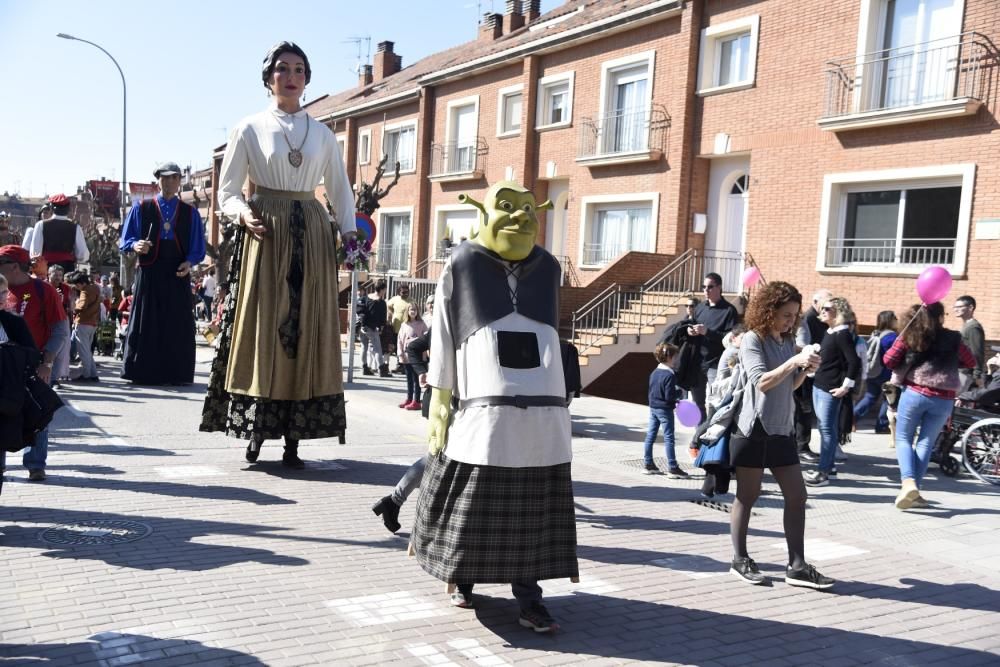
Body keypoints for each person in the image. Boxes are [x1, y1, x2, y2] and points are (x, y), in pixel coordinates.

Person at [412, 181, 573, 632]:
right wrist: (439, 397)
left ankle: (530, 597)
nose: (521, 217)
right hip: (481, 411)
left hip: (543, 416)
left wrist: (562, 401)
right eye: (507, 207)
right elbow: (443, 335)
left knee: (532, 514)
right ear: (483, 213)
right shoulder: (462, 262)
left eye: (528, 209)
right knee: (473, 504)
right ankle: (463, 578)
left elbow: (552, 340)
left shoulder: (548, 268)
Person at [200, 41, 356, 468]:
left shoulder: (323, 133)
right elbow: (228, 191)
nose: (291, 76)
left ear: (307, 78)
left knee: (307, 328)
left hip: (311, 229)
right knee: (265, 328)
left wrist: (350, 233)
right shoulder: (248, 128)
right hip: (265, 230)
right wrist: (242, 215)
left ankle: (294, 440)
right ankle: (256, 432)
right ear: (269, 77)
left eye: (300, 69)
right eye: (283, 68)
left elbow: (340, 190)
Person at [728, 280, 832, 590]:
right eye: (786, 315)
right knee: (747, 495)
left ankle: (797, 565)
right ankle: (740, 559)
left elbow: (789, 385)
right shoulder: (752, 339)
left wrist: (805, 370)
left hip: (782, 428)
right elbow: (761, 381)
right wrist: (793, 362)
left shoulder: (786, 341)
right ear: (768, 310)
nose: (791, 321)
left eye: (794, 315)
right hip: (753, 428)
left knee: (798, 495)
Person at [118, 162, 206, 385]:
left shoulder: (190, 212)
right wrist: (136, 245)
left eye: (173, 178)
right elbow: (125, 240)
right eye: (163, 178)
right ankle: (142, 371)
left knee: (176, 323)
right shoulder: (141, 207)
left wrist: (190, 262)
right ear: (158, 181)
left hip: (177, 272)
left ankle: (175, 373)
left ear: (179, 181)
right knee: (146, 321)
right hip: (149, 272)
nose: (168, 182)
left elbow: (198, 248)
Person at [884, 302, 976, 509]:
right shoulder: (953, 338)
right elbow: (970, 361)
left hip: (916, 392)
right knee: (925, 442)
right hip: (944, 398)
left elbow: (888, 360)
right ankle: (914, 491)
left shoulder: (912, 335)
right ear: (941, 317)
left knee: (904, 438)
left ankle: (908, 483)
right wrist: (952, 362)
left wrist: (901, 339)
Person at [0, 245, 70, 482]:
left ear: (14, 266)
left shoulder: (43, 291)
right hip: (4, 367)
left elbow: (60, 330)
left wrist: (47, 362)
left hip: (33, 365)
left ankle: (35, 464)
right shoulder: (1, 289)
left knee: (38, 414)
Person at [804, 297, 860, 488]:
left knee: (827, 430)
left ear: (839, 312)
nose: (823, 310)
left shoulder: (842, 333)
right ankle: (830, 467)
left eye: (828, 308)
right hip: (820, 385)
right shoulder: (831, 331)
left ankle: (823, 472)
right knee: (824, 428)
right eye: (823, 308)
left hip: (830, 389)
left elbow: (854, 362)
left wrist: (846, 386)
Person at [689, 272, 739, 420]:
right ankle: (700, 432)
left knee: (716, 402)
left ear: (719, 287)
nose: (706, 290)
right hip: (698, 362)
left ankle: (712, 433)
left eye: (710, 287)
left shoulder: (729, 311)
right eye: (703, 287)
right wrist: (690, 330)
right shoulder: (700, 308)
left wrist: (707, 332)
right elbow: (691, 324)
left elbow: (731, 340)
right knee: (697, 402)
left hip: (716, 364)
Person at [793, 289, 832, 462]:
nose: (827, 310)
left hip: (808, 369)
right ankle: (801, 446)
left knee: (804, 409)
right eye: (825, 306)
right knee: (803, 409)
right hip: (802, 370)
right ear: (816, 302)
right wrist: (811, 353)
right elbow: (803, 345)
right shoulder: (807, 319)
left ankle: (801, 445)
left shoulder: (813, 319)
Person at [642, 342, 687, 478]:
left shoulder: (654, 372)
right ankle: (673, 467)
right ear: (669, 357)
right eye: (675, 357)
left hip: (653, 407)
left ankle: (648, 464)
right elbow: (669, 396)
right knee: (669, 438)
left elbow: (651, 391)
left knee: (650, 436)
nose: (676, 360)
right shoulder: (670, 375)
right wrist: (678, 397)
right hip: (665, 410)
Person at [854, 311, 897, 434]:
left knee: (870, 396)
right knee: (888, 399)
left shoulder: (875, 334)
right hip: (885, 373)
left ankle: (853, 416)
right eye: (895, 318)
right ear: (890, 320)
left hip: (872, 371)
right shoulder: (892, 338)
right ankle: (882, 425)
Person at [29, 193, 89, 273]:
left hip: (46, 268)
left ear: (52, 208)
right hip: (68, 268)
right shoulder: (75, 227)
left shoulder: (41, 225)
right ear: (68, 209)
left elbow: (35, 252)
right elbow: (83, 254)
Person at [69, 272, 101, 382]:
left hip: (83, 322)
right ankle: (93, 375)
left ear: (82, 283)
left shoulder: (85, 290)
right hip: (93, 323)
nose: (76, 287)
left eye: (77, 285)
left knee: (83, 351)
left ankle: (86, 375)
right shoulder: (96, 287)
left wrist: (73, 308)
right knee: (87, 350)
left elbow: (82, 306)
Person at [396, 303, 427, 409]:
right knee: (409, 379)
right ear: (407, 312)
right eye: (411, 310)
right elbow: (399, 340)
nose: (413, 311)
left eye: (415, 309)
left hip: (418, 357)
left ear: (418, 311)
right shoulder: (404, 325)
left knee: (416, 379)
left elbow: (425, 338)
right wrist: (400, 353)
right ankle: (409, 398)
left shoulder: (422, 324)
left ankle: (416, 400)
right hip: (406, 356)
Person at [953, 295, 985, 391]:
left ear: (971, 307)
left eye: (959, 307)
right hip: (959, 370)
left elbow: (977, 352)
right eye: (955, 307)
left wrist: (976, 375)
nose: (956, 309)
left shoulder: (973, 327)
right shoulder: (966, 325)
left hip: (965, 373)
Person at [361, 280, 389, 377]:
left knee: (364, 347)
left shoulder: (366, 298)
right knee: (377, 349)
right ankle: (382, 369)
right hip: (372, 328)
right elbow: (383, 318)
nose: (385, 291)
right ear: (381, 289)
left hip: (362, 326)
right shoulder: (381, 302)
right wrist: (381, 328)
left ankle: (364, 368)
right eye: (385, 289)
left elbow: (361, 310)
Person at [386, 283, 413, 373]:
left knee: (404, 348)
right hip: (395, 328)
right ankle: (397, 365)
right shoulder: (395, 299)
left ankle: (403, 366)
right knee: (395, 347)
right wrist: (391, 313)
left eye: (407, 292)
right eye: (403, 292)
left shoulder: (411, 301)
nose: (405, 294)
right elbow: (388, 305)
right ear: (399, 292)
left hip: (407, 330)